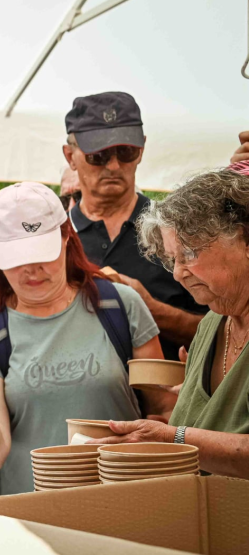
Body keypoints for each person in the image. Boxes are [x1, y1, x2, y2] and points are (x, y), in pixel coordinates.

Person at [0, 182, 167, 496]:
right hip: (28, 520)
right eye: (16, 258)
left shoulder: (120, 305)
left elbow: (165, 412)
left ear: (66, 238)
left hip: (125, 503)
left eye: (40, 253)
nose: (31, 269)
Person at [90, 168, 249, 480]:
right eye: (173, 258)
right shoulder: (213, 323)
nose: (177, 274)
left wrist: (172, 438)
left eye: (190, 253)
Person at [63, 91, 205, 360]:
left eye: (126, 151)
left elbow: (229, 330)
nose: (114, 165)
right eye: (99, 154)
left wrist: (152, 310)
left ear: (142, 150)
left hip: (171, 397)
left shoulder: (179, 229)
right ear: (70, 156)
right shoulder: (55, 238)